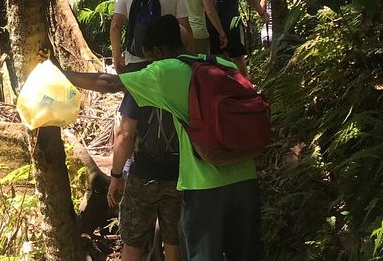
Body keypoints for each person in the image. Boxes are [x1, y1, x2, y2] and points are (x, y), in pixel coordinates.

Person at [64, 15, 262, 261]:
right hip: (245, 176)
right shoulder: (221, 64)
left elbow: (106, 83)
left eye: (150, 56)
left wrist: (59, 72)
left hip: (205, 186)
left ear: (158, 51)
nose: (150, 62)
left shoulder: (164, 71)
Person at [109, 0, 192, 261]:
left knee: (133, 238)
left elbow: (116, 25)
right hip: (179, 171)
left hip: (144, 171)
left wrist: (119, 62)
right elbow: (185, 30)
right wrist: (188, 60)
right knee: (175, 237)